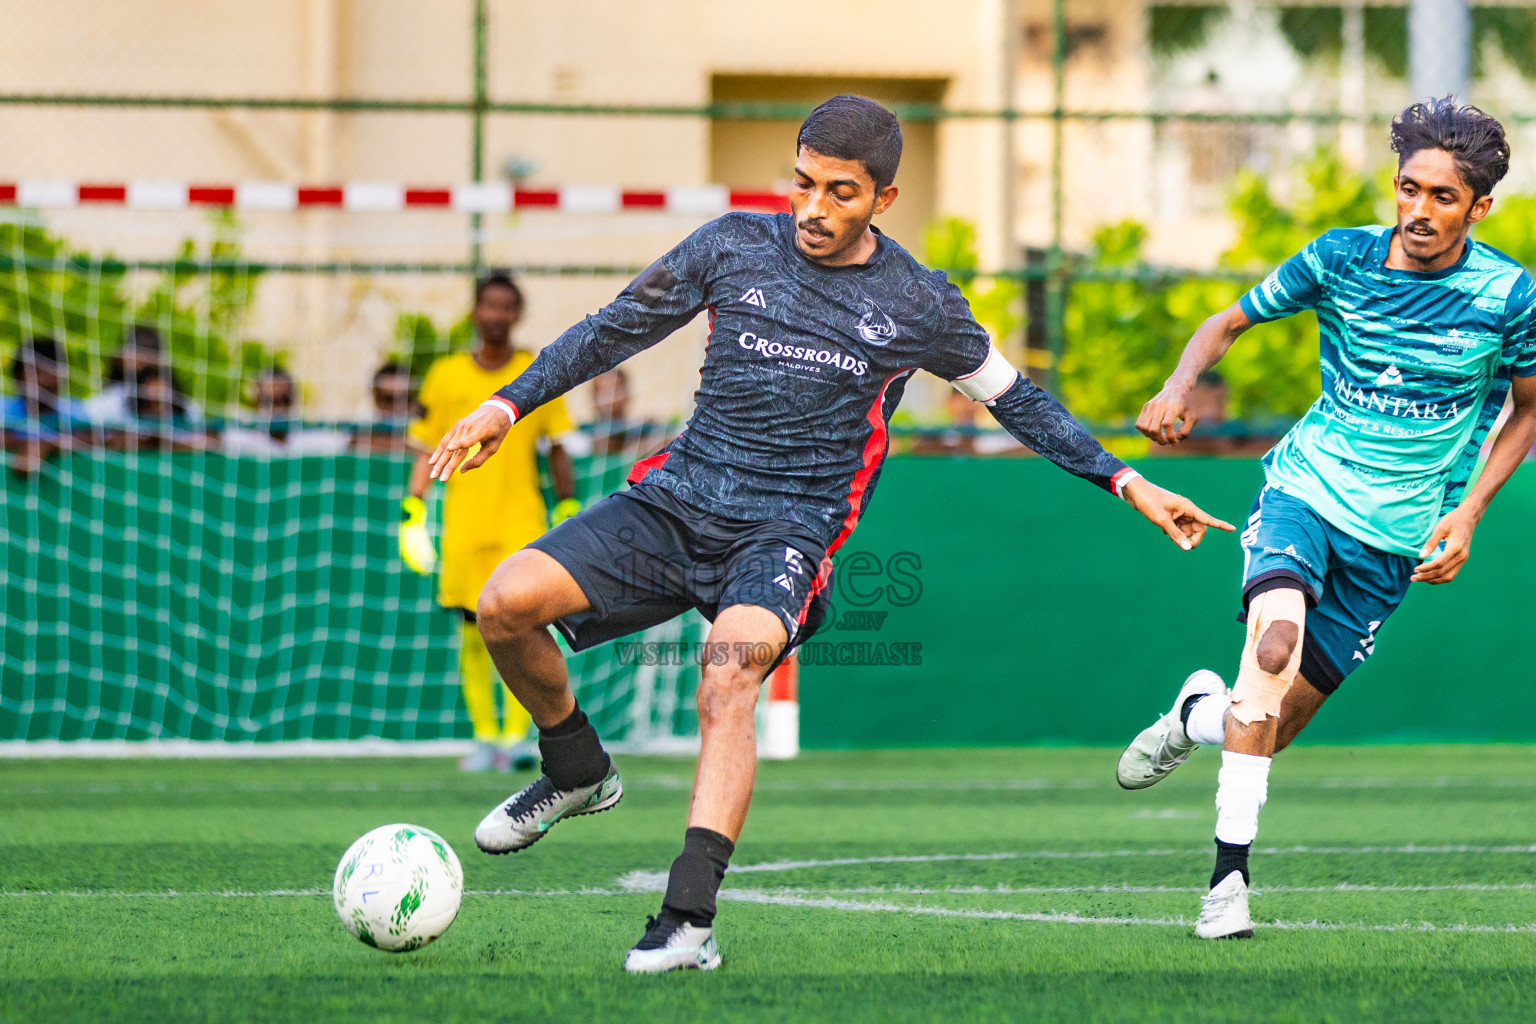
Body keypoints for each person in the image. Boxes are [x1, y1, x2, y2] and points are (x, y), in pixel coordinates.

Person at [424, 95, 1232, 972]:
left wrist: (1123, 478)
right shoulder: (731, 245)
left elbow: (1017, 401)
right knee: (505, 603)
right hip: (677, 500)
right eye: (803, 183)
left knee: (726, 681)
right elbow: (614, 328)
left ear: (882, 200)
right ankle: (577, 768)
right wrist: (509, 402)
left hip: (786, 533)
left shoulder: (920, 302)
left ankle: (688, 921)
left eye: (841, 193)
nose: (814, 208)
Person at [1116, 98, 1536, 940]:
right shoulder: (1339, 258)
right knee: (1272, 651)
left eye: (1443, 198)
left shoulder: (1508, 296)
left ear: (1478, 207)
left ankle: (1194, 714)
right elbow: (1228, 320)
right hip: (1304, 494)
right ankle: (1226, 887)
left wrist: (1472, 512)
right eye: (1409, 189)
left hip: (1395, 540)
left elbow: (1528, 410)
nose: (1419, 211)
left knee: (1261, 729)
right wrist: (1177, 384)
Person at [402, 272, 582, 773]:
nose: (497, 315)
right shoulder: (446, 375)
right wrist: (411, 511)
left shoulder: (534, 372)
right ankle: (485, 737)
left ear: (517, 314)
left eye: (507, 307)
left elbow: (558, 448)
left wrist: (568, 506)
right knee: (470, 630)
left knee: (525, 626)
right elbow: (424, 449)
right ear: (476, 312)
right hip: (463, 523)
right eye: (489, 306)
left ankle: (519, 736)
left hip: (522, 520)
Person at [83, 325, 204, 430]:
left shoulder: (185, 407)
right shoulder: (107, 403)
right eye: (137, 350)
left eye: (148, 351)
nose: (141, 359)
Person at [2, 336, 86, 474]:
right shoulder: (4, 410)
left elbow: (107, 439)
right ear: (17, 377)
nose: (46, 381)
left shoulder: (76, 412)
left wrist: (46, 445)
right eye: (37, 372)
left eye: (53, 372)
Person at [222, 367, 352, 456]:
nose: (276, 408)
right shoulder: (240, 440)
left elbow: (348, 443)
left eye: (284, 400)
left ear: (293, 402)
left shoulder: (312, 440)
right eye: (268, 401)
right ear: (255, 405)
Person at [354, 361, 416, 453]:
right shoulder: (367, 407)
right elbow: (357, 440)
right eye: (391, 379)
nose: (395, 384)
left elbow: (420, 443)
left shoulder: (416, 410)